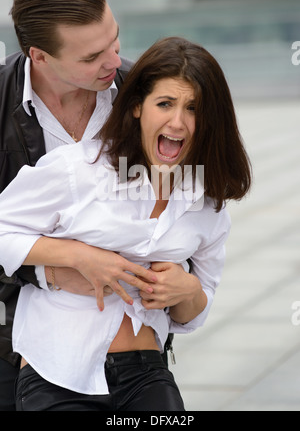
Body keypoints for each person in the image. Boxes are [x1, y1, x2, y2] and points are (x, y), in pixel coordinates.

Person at [0, 36, 252, 411]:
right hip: (57, 371)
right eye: (164, 104)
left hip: (146, 374)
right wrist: (75, 256)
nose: (178, 122)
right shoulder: (80, 169)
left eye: (194, 108)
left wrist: (186, 290)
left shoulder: (208, 202)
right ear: (137, 108)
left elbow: (193, 313)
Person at [0, 0, 181, 411]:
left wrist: (187, 281)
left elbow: (188, 205)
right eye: (90, 57)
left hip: (137, 355)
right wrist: (62, 265)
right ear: (38, 55)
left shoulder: (148, 93)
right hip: (21, 355)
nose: (114, 61)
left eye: (113, 38)